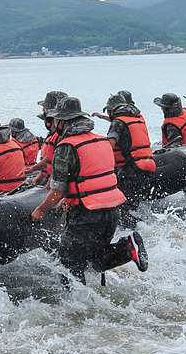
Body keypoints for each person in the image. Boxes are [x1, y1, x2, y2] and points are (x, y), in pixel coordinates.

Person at [30, 97, 147, 283]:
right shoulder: (101, 141)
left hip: (87, 214)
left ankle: (71, 305)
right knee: (91, 259)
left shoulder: (66, 147)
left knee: (66, 262)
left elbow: (57, 191)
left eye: (55, 119)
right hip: (112, 210)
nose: (53, 124)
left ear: (63, 121)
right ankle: (127, 249)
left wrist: (41, 210)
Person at [27, 91, 68, 186]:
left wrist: (49, 186)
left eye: (45, 108)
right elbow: (51, 158)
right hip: (48, 177)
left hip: (57, 183)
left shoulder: (62, 136)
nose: (43, 110)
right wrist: (41, 174)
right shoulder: (56, 133)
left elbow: (60, 166)